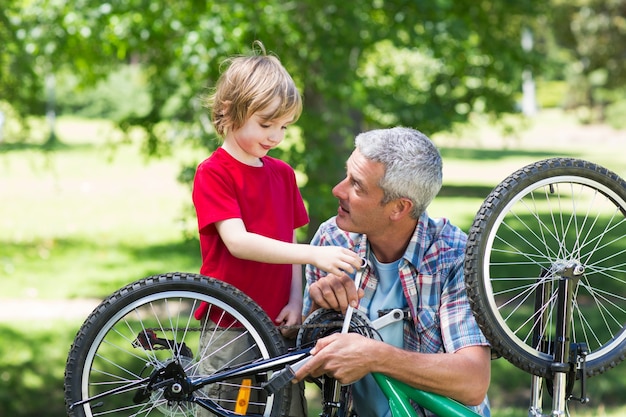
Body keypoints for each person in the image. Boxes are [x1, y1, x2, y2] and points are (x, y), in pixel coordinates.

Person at [192, 42, 362, 417]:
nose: (275, 137)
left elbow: (289, 241)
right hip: (230, 325)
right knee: (226, 407)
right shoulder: (214, 172)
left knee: (284, 408)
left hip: (276, 324)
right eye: (265, 124)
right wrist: (316, 254)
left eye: (283, 126)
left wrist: (295, 300)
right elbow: (237, 242)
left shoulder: (282, 174)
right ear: (230, 112)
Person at [294, 127, 491, 417]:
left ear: (399, 208)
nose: (338, 190)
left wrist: (374, 356)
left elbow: (473, 381)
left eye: (357, 186)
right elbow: (312, 373)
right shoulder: (331, 240)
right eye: (347, 175)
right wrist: (316, 313)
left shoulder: (453, 257)